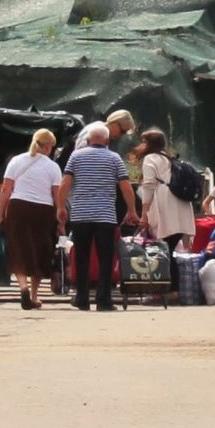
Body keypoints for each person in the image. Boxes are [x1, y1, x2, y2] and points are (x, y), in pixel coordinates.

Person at [58, 121, 139, 311]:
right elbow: (125, 186)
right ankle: (103, 300)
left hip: (80, 215)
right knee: (105, 258)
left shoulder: (76, 157)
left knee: (82, 257)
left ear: (88, 139)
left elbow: (65, 183)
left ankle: (82, 298)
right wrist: (132, 210)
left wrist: (61, 207)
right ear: (106, 140)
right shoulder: (114, 158)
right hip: (105, 216)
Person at [0, 128, 63, 311]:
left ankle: (23, 287)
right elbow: (57, 195)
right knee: (40, 251)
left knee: (18, 249)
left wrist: (2, 214)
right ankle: (34, 295)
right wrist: (60, 218)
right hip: (43, 211)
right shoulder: (52, 166)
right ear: (49, 147)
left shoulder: (16, 161)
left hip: (18, 207)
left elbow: (5, 190)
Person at [136, 128, 195, 298]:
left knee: (163, 250)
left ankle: (165, 292)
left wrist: (144, 213)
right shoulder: (170, 159)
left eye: (144, 141)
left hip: (164, 206)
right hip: (181, 207)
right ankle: (171, 291)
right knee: (167, 249)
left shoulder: (150, 159)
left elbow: (148, 186)